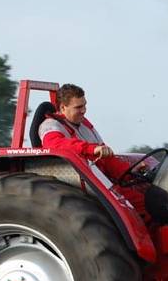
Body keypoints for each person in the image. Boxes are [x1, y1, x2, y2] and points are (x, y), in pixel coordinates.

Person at [38, 83, 147, 214]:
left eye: (84, 105)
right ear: (62, 107)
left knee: (148, 197)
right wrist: (92, 149)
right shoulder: (50, 126)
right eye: (78, 107)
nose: (84, 110)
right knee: (145, 204)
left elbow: (107, 160)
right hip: (80, 187)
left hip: (100, 183)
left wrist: (130, 172)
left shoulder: (85, 125)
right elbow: (57, 145)